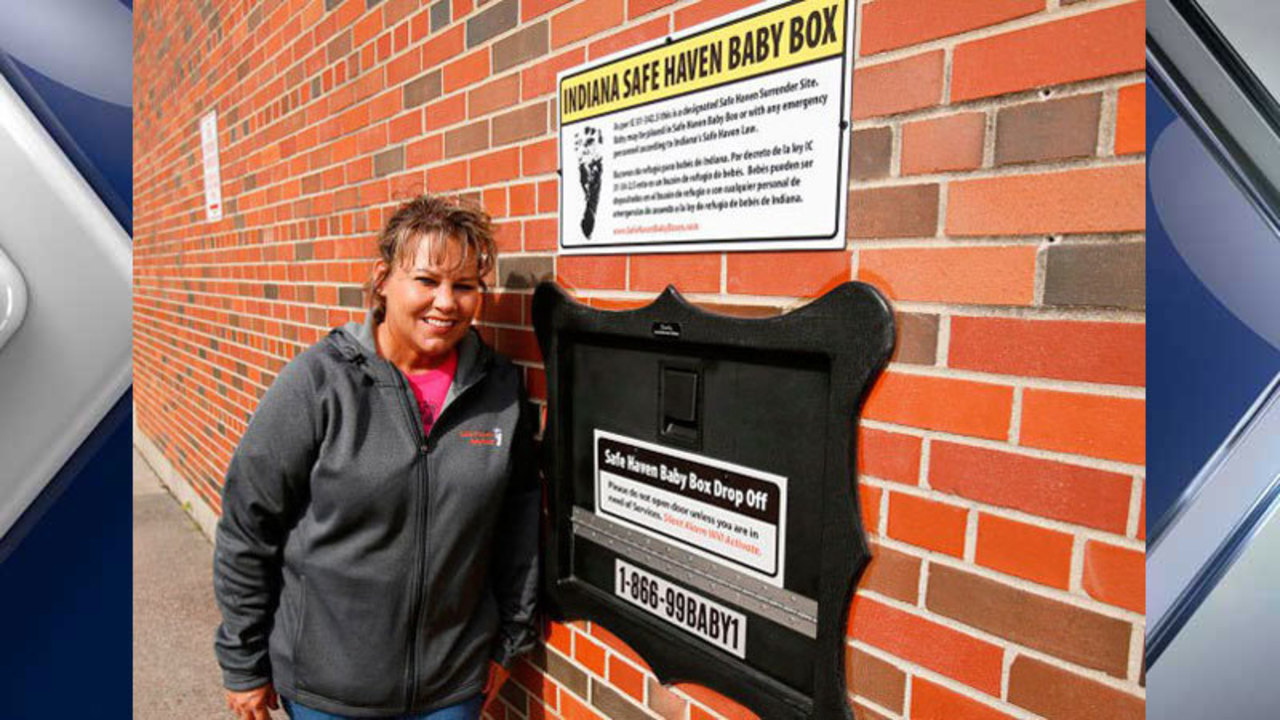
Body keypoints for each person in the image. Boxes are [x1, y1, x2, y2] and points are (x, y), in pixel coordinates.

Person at [212, 195, 540, 720]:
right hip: (328, 691)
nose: (446, 302)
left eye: (464, 286)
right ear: (383, 280)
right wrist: (243, 661)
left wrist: (509, 641)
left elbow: (518, 527)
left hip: (451, 686)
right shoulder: (319, 382)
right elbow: (247, 527)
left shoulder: (498, 390)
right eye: (427, 280)